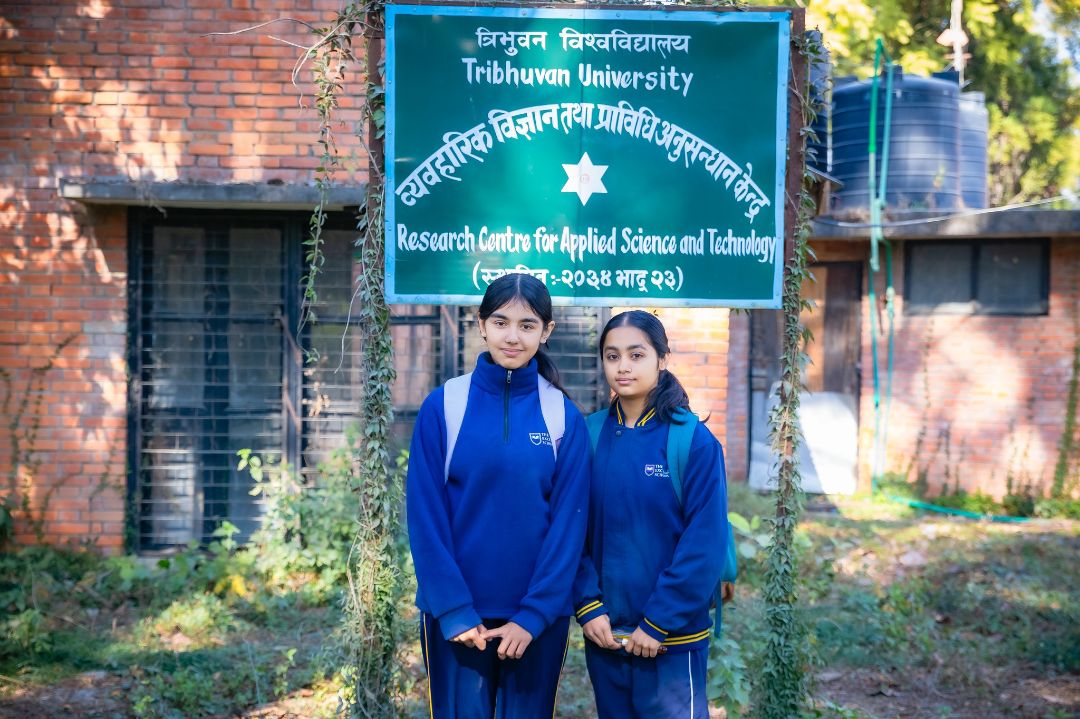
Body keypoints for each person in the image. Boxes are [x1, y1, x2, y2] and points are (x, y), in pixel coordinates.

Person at [406, 273, 590, 719]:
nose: (513, 337)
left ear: (546, 331)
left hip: (536, 623)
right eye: (501, 322)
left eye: (527, 325)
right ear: (481, 324)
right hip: (457, 621)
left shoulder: (563, 415)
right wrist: (454, 610)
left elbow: (569, 528)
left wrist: (534, 616)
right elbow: (425, 517)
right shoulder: (444, 405)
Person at [574, 310, 729, 719]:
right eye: (612, 356)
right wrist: (588, 606)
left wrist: (658, 621)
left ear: (661, 358)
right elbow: (570, 531)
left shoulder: (692, 441)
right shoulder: (588, 435)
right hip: (606, 637)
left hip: (672, 642)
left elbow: (704, 544)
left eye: (636, 354)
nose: (623, 366)